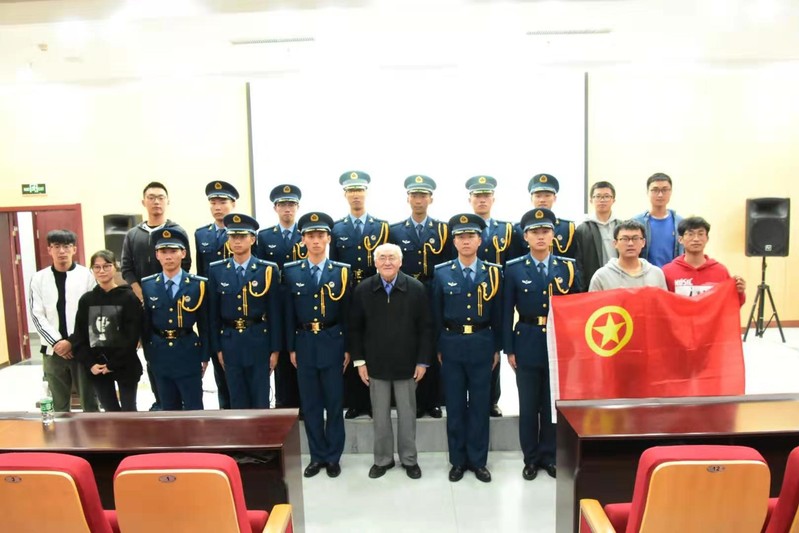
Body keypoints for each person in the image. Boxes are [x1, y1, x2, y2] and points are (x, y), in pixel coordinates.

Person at [503, 208, 580, 481]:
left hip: (559, 343)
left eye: (545, 231)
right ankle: (531, 458)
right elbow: (506, 311)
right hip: (527, 339)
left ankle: (549, 455)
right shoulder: (513, 269)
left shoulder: (568, 267)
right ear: (525, 237)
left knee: (551, 405)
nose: (540, 236)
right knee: (528, 405)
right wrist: (509, 349)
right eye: (534, 232)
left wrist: (574, 347)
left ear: (553, 235)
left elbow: (578, 309)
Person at [350, 243, 433, 480]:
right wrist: (359, 361)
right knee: (380, 416)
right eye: (382, 258)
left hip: (407, 364)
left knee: (407, 415)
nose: (387, 262)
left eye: (392, 258)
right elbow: (355, 329)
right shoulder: (363, 290)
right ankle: (383, 460)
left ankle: (409, 459)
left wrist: (423, 362)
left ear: (400, 262)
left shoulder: (416, 288)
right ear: (375, 262)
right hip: (375, 364)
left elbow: (426, 328)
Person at [433, 214, 502, 483]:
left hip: (483, 344)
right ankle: (458, 461)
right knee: (455, 406)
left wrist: (497, 348)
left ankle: (478, 460)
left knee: (480, 406)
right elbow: (435, 314)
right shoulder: (441, 272)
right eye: (460, 237)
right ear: (454, 242)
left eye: (470, 236)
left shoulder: (494, 272)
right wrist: (438, 346)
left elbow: (499, 314)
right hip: (451, 345)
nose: (465, 241)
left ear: (480, 240)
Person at [283, 212, 350, 479]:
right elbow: (288, 313)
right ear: (303, 240)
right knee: (310, 405)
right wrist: (291, 347)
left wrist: (348, 348)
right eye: (310, 236)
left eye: (320, 235)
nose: (316, 240)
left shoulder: (342, 271)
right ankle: (316, 456)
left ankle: (333, 457)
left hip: (332, 342)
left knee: (334, 403)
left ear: (328, 239)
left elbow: (348, 313)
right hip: (304, 343)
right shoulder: (291, 271)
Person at [121, 181, 192, 410]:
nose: (156, 202)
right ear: (144, 202)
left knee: (177, 347)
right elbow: (126, 269)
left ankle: (180, 399)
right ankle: (161, 399)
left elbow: (186, 265)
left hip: (172, 303)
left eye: (160, 197)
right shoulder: (133, 235)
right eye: (151, 197)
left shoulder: (178, 231)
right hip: (143, 303)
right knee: (152, 351)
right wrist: (142, 294)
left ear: (167, 201)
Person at [388, 174, 450, 419]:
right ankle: (410, 401)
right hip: (406, 292)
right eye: (414, 195)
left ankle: (432, 400)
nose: (418, 200)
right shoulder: (394, 230)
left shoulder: (443, 230)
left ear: (430, 199)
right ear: (408, 198)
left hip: (433, 291)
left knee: (432, 342)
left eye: (423, 195)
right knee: (408, 342)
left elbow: (447, 263)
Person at [330, 171, 389, 420]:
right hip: (348, 293)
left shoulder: (382, 227)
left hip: (374, 291)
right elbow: (333, 264)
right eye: (351, 191)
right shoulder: (336, 228)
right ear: (345, 194)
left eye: (360, 190)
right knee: (353, 341)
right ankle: (355, 401)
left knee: (375, 342)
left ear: (366, 193)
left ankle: (377, 401)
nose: (356, 195)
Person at [208, 214, 282, 409]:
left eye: (242, 236)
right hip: (230, 341)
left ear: (253, 239)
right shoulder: (217, 270)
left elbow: (275, 313)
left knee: (260, 399)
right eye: (233, 237)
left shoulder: (267, 270)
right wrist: (217, 348)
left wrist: (275, 349)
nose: (237, 241)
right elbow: (213, 315)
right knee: (237, 399)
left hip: (258, 340)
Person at [28, 229, 99, 413]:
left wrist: (72, 342)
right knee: (58, 405)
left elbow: (92, 313)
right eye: (56, 246)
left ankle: (92, 432)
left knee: (90, 402)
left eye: (66, 246)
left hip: (82, 349)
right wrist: (57, 342)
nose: (61, 251)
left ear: (74, 249)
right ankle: (60, 433)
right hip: (53, 352)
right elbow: (37, 315)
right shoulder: (38, 278)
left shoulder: (87, 276)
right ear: (49, 249)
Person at [140, 228, 208, 410]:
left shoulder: (198, 285)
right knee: (168, 409)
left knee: (194, 407)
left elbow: (204, 324)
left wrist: (205, 355)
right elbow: (146, 324)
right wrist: (149, 355)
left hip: (187, 351)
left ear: (183, 253)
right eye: (163, 252)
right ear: (157, 255)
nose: (168, 256)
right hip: (160, 353)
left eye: (173, 251)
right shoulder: (148, 285)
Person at [466, 175, 514, 418]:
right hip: (466, 293)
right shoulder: (462, 229)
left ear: (493, 199)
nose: (482, 200)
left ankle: (492, 400)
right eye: (477, 196)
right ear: (470, 199)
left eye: (486, 195)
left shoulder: (506, 230)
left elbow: (513, 262)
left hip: (496, 295)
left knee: (493, 346)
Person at [72, 250, 143, 412]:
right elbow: (80, 336)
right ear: (92, 270)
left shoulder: (129, 297)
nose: (101, 271)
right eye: (97, 267)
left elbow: (132, 336)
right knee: (109, 412)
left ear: (115, 267)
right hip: (97, 366)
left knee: (129, 410)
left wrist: (113, 364)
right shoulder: (86, 300)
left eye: (106, 266)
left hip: (125, 364)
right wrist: (90, 364)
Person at [255, 184, 304, 409]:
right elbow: (261, 271)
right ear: (275, 208)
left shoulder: (306, 234)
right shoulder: (265, 237)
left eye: (291, 204)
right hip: (276, 302)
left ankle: (303, 402)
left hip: (301, 300)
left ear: (297, 207)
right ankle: (284, 402)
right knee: (280, 351)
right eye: (283, 204)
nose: (287, 209)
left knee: (300, 352)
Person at [195, 180, 239, 409]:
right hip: (212, 306)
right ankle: (225, 412)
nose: (218, 207)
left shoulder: (243, 233)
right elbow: (201, 272)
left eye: (222, 202)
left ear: (233, 204)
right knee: (219, 363)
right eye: (213, 202)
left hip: (237, 304)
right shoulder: (202, 234)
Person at [662, 216, 747, 304]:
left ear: (707, 239)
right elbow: (662, 304)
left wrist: (739, 292)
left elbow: (730, 304)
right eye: (690, 234)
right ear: (680, 239)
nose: (696, 239)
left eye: (701, 234)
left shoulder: (720, 271)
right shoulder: (667, 272)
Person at [589, 219, 668, 291]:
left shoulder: (656, 274)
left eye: (635, 238)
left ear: (643, 242)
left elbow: (663, 301)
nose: (630, 243)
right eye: (624, 239)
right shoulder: (601, 276)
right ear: (615, 243)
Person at [514, 173, 578, 259]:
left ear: (554, 198)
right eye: (538, 196)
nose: (542, 200)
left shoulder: (567, 228)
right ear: (531, 199)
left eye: (547, 196)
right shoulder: (519, 229)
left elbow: (573, 259)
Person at [574, 181, 621, 292]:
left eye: (606, 196)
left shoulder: (621, 226)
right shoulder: (582, 229)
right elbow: (578, 263)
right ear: (591, 200)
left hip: (620, 283)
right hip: (595, 285)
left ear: (613, 200)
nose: (602, 200)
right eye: (598, 196)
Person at [632, 172, 683, 267]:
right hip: (645, 274)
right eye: (655, 190)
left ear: (671, 192)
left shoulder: (680, 223)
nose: (660, 195)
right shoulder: (636, 222)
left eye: (665, 190)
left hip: (673, 274)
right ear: (647, 192)